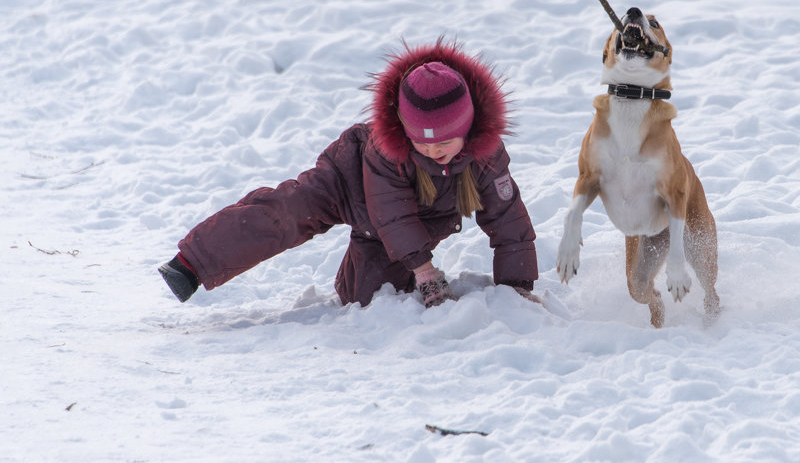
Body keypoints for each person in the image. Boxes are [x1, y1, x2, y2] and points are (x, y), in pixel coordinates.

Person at [157, 41, 538, 308]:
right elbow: (392, 211)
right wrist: (423, 269)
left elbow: (509, 221)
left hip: (406, 218)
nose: (434, 150)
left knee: (368, 298)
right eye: (421, 143)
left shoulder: (486, 156)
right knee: (286, 213)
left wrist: (516, 287)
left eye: (445, 141)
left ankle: (361, 267)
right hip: (348, 182)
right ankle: (193, 263)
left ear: (468, 128)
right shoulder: (385, 148)